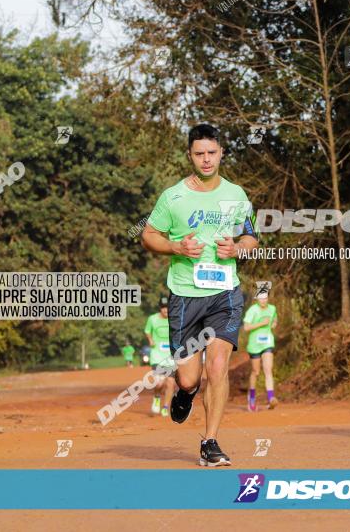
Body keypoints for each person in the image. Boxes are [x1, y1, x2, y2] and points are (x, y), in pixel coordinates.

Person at [141, 123, 258, 467]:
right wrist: (175, 246)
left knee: (218, 365)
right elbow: (149, 235)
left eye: (212, 152)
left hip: (225, 293)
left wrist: (236, 248)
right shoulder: (172, 197)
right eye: (199, 153)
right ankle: (186, 392)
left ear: (221, 152)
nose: (206, 160)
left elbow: (251, 238)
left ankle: (210, 442)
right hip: (184, 295)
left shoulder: (236, 195)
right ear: (189, 156)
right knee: (190, 376)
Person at [241, 289, 279, 411]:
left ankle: (271, 398)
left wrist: (273, 324)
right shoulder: (253, 310)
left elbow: (274, 320)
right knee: (256, 372)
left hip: (267, 342)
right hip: (254, 345)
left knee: (268, 370)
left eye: (265, 298)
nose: (263, 300)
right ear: (257, 298)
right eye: (261, 298)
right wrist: (261, 323)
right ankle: (251, 398)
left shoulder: (272, 309)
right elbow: (246, 327)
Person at [144, 297, 176, 417]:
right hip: (157, 356)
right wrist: (150, 339)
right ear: (160, 308)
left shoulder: (174, 319)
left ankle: (166, 407)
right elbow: (147, 331)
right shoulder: (152, 319)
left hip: (171, 357)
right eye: (163, 307)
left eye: (168, 307)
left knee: (171, 383)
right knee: (159, 383)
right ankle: (157, 397)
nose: (166, 310)